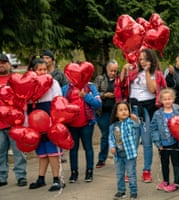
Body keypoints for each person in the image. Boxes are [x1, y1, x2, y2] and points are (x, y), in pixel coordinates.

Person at [120, 48, 166, 183]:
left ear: (151, 60)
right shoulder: (134, 73)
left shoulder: (156, 74)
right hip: (133, 109)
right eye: (140, 59)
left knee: (146, 142)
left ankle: (147, 170)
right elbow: (122, 85)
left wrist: (146, 71)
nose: (142, 61)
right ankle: (130, 171)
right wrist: (123, 70)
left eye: (145, 59)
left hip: (147, 109)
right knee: (131, 142)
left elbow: (152, 90)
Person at [27, 57, 64, 191]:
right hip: (35, 121)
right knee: (42, 152)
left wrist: (56, 121)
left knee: (53, 152)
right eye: (39, 70)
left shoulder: (53, 83)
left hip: (49, 120)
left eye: (45, 69)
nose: (43, 72)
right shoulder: (29, 84)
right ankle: (41, 178)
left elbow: (59, 100)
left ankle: (57, 179)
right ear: (33, 71)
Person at [62, 62, 102, 183]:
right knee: (73, 149)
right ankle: (74, 172)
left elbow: (98, 103)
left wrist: (85, 96)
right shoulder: (65, 89)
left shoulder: (90, 86)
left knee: (88, 147)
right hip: (72, 125)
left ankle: (89, 172)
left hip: (87, 124)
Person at [0, 53, 27, 187]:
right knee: (0, 152)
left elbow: (23, 98)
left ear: (9, 64)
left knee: (18, 151)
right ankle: (1, 176)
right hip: (0, 123)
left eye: (4, 62)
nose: (1, 64)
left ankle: (21, 175)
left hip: (15, 123)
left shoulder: (16, 79)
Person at [151, 88, 179, 192]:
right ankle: (166, 181)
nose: (167, 101)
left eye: (169, 98)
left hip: (174, 143)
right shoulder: (157, 114)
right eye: (165, 99)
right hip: (162, 144)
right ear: (161, 101)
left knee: (176, 162)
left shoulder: (177, 114)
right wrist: (158, 143)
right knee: (164, 163)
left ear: (173, 99)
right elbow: (153, 128)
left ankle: (176, 183)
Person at [109, 101, 138, 200]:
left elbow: (137, 125)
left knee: (131, 174)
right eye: (121, 110)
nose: (124, 112)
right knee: (119, 174)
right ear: (116, 114)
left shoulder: (130, 122)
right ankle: (121, 191)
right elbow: (111, 137)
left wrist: (136, 119)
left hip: (129, 154)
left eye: (126, 109)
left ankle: (133, 192)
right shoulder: (113, 126)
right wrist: (112, 146)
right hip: (118, 154)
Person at [94, 59, 119, 168]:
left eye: (115, 71)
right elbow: (95, 93)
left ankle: (119, 157)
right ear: (106, 69)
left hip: (116, 112)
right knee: (105, 135)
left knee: (117, 135)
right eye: (111, 71)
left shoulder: (119, 80)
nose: (113, 73)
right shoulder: (100, 79)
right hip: (102, 112)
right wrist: (105, 95)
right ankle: (102, 158)